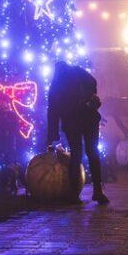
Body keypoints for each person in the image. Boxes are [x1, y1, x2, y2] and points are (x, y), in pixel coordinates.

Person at [46, 61, 109, 205]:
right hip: (88, 118)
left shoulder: (55, 86)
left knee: (76, 154)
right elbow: (93, 81)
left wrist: (51, 137)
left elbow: (52, 112)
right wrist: (88, 97)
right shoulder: (77, 72)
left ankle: (74, 194)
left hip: (71, 122)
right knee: (93, 153)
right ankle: (98, 191)